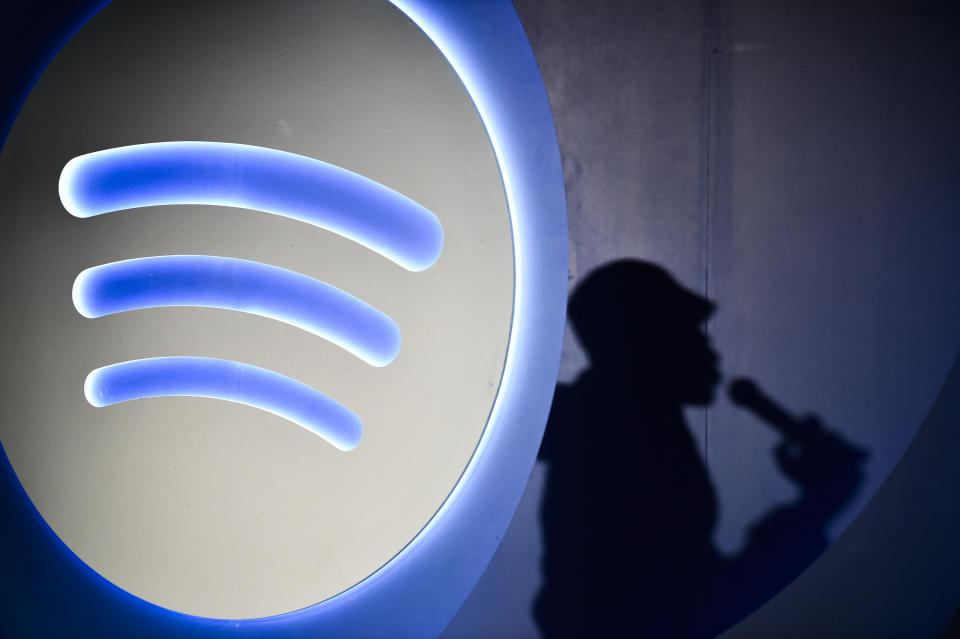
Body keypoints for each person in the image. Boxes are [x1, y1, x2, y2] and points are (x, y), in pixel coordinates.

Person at [535, 259, 864, 638]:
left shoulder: (628, 427)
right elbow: (692, 604)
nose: (707, 344)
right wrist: (817, 505)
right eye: (687, 328)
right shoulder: (623, 442)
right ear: (642, 341)